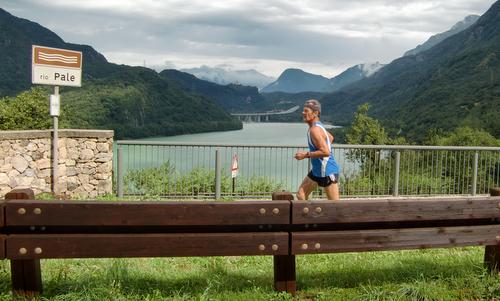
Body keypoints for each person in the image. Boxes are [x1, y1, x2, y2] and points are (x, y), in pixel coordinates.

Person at [294, 99, 340, 201]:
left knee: (335, 207)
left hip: (328, 171)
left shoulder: (315, 130)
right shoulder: (317, 127)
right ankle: (310, 216)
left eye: (306, 111)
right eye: (303, 111)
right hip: (317, 170)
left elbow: (326, 152)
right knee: (301, 194)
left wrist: (305, 155)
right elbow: (330, 138)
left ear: (315, 113)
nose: (303, 113)